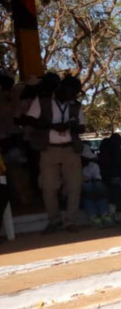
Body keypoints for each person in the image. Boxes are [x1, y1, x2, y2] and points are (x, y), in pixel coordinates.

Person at [25, 75, 85, 233]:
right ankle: (54, 220)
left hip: (70, 149)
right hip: (49, 148)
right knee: (48, 187)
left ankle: (70, 221)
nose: (74, 96)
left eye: (76, 94)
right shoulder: (43, 101)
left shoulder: (76, 106)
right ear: (62, 89)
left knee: (74, 186)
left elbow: (82, 127)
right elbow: (29, 119)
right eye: (72, 92)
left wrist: (71, 126)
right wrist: (51, 126)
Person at [81, 145, 111, 227]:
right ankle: (93, 216)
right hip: (81, 190)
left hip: (94, 190)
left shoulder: (93, 166)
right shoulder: (73, 167)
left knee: (97, 186)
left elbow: (97, 179)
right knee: (88, 187)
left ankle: (104, 214)